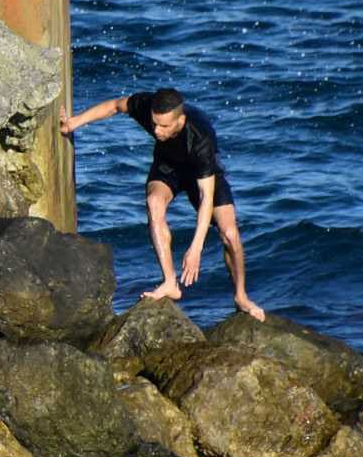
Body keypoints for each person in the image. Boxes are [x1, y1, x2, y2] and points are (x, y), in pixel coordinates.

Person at [62, 88, 266, 321]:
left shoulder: (200, 139)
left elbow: (206, 198)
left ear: (180, 119)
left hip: (204, 177)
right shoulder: (148, 106)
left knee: (230, 234)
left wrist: (196, 248)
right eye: (154, 124)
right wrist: (74, 123)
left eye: (164, 126)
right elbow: (115, 106)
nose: (157, 131)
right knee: (154, 202)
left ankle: (240, 295)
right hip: (168, 167)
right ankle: (170, 281)